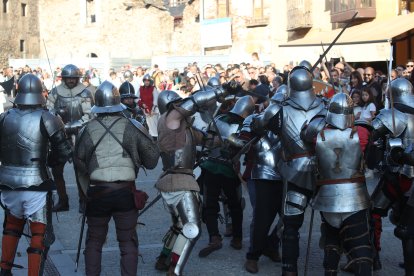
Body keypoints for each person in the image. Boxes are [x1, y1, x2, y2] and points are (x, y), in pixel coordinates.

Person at [73, 81, 159, 276]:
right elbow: (152, 160)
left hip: (97, 192)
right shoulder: (132, 126)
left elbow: (78, 162)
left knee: (94, 242)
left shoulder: (87, 129)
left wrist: (93, 170)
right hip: (124, 192)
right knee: (128, 242)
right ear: (118, 102)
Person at [251, 64, 326, 275]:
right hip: (324, 170)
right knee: (330, 220)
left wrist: (272, 105)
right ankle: (332, 266)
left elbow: (257, 126)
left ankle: (289, 269)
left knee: (291, 224)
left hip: (295, 170)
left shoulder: (280, 109)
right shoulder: (326, 105)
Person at [154, 85, 235, 276]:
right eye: (178, 105)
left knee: (179, 226)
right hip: (179, 181)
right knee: (193, 228)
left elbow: (208, 140)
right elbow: (193, 103)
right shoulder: (170, 120)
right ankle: (175, 270)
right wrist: (217, 91)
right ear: (172, 107)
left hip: (178, 179)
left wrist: (230, 139)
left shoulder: (185, 128)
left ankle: (164, 258)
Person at [0, 74, 72, 276]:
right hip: (37, 182)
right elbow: (66, 152)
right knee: (40, 234)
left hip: (7, 183)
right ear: (40, 93)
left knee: (12, 227)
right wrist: (51, 160)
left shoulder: (4, 117)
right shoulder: (47, 117)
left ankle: (4, 270)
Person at [303, 92, 373, 275]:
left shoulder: (317, 133)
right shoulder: (362, 132)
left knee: (331, 240)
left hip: (327, 199)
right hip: (355, 198)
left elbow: (305, 136)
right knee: (360, 245)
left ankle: (330, 271)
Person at [198, 96, 255, 258]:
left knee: (212, 204)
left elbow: (207, 141)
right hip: (227, 169)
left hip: (215, 167)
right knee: (234, 205)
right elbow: (208, 141)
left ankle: (215, 237)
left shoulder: (219, 119)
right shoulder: (246, 124)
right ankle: (235, 238)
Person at [369, 78, 414, 275]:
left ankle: (373, 257)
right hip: (409, 177)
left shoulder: (393, 115)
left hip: (399, 176)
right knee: (408, 226)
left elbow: (373, 135)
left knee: (374, 212)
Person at [243, 86, 287, 273]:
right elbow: (243, 139)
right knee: (262, 218)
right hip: (263, 173)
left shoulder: (292, 121)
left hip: (289, 174)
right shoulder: (255, 118)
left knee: (288, 218)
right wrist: (260, 126)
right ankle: (253, 255)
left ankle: (271, 244)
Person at [46, 64, 94, 212]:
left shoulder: (84, 93)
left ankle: (83, 200)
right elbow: (48, 112)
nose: (71, 80)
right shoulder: (55, 92)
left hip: (79, 134)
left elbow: (89, 114)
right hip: (59, 136)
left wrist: (74, 125)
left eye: (74, 77)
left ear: (77, 78)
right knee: (57, 170)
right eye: (69, 77)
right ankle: (63, 200)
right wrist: (57, 122)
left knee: (81, 170)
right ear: (64, 78)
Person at [138, 74, 159, 140]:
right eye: (145, 81)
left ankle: (155, 141)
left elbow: (156, 100)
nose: (146, 82)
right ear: (143, 81)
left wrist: (152, 110)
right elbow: (136, 98)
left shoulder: (153, 89)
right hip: (144, 111)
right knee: (147, 126)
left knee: (154, 127)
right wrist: (141, 104)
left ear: (150, 81)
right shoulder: (140, 89)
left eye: (148, 81)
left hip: (153, 111)